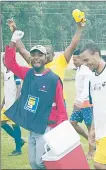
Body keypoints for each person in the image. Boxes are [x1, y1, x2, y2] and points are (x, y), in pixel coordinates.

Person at [4, 30, 68, 169]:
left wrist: (61, 128)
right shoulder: (27, 74)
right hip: (32, 124)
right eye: (33, 55)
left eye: (40, 55)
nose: (36, 58)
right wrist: (13, 41)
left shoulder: (53, 79)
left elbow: (61, 105)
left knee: (40, 162)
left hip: (47, 125)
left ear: (46, 58)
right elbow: (10, 63)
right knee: (33, 163)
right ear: (30, 58)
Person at [7, 16, 85, 101]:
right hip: (39, 102)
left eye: (47, 53)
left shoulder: (61, 61)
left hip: (57, 103)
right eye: (42, 53)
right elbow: (22, 49)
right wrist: (14, 32)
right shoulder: (36, 62)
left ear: (53, 54)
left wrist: (79, 28)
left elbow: (72, 45)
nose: (44, 55)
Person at [70, 49, 95, 160]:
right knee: (72, 123)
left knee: (90, 128)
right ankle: (91, 143)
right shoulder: (79, 69)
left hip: (87, 104)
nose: (74, 62)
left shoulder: (87, 71)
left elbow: (86, 89)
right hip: (79, 102)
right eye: (73, 60)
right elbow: (79, 89)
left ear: (82, 59)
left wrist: (79, 101)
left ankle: (91, 152)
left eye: (76, 59)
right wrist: (77, 100)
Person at [1, 54, 25, 156]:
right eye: (2, 59)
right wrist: (2, 102)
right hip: (7, 104)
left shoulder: (15, 72)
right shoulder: (5, 73)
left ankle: (18, 149)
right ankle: (19, 140)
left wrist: (16, 102)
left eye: (5, 59)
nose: (3, 61)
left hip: (14, 104)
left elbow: (19, 87)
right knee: (2, 123)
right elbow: (7, 90)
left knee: (15, 125)